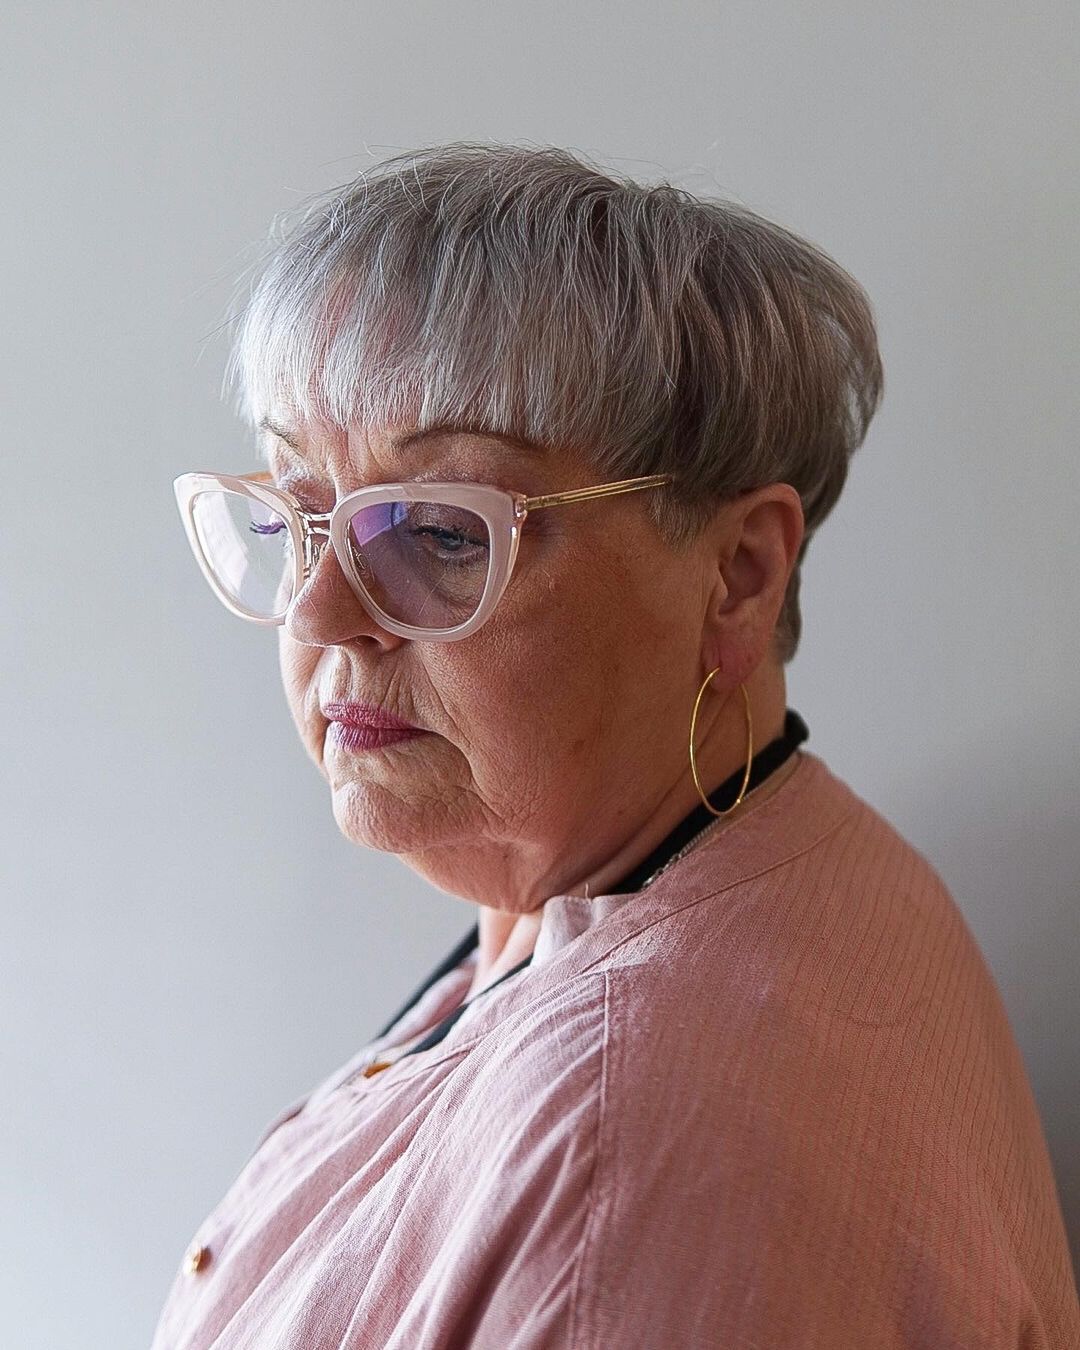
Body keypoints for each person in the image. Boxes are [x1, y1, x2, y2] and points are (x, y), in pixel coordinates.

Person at [153, 142, 1079, 1348]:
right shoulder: (700, 872)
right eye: (298, 510)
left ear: (738, 574)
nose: (322, 610)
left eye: (437, 532)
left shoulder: (648, 1131)